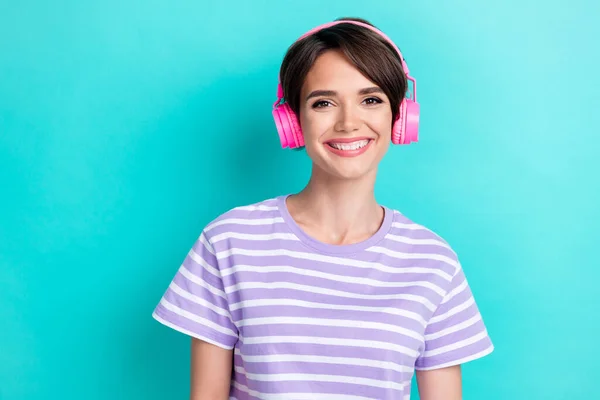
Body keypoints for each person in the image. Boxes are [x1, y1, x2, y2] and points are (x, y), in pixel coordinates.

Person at [152, 17, 494, 400]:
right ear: (293, 120)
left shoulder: (434, 262)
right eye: (324, 103)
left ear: (400, 117)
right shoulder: (228, 241)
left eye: (371, 100)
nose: (349, 123)